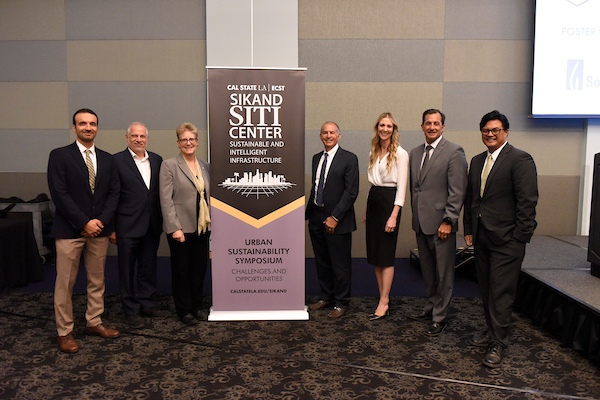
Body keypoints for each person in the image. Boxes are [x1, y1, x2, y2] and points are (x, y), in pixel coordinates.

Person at [464, 110, 538, 368]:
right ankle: (491, 332)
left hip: (508, 240)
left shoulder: (519, 159)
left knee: (501, 293)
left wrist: (520, 238)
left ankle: (499, 342)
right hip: (482, 238)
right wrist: (469, 229)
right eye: (486, 130)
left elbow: (527, 202)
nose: (490, 134)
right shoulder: (476, 161)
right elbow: (472, 199)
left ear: (506, 132)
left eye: (495, 130)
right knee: (485, 289)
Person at [47, 108, 120, 353]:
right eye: (83, 124)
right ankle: (64, 331)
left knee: (97, 280)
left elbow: (114, 193)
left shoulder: (108, 159)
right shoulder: (59, 156)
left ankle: (94, 322)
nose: (88, 127)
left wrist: (100, 221)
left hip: (99, 230)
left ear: (97, 127)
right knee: (64, 283)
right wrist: (83, 223)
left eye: (92, 124)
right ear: (74, 127)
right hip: (69, 230)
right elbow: (59, 193)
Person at [408, 109, 468, 336]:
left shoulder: (454, 152)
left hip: (442, 225)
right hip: (420, 223)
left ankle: (440, 317)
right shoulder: (415, 153)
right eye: (428, 123)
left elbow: (458, 191)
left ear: (443, 127)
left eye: (436, 123)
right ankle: (431, 306)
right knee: (429, 271)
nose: (432, 127)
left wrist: (449, 220)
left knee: (444, 274)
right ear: (422, 126)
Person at [109, 122, 167, 329]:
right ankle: (130, 309)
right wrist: (112, 227)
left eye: (142, 136)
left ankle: (147, 303)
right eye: (134, 136)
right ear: (127, 138)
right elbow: (112, 195)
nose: (138, 139)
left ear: (147, 138)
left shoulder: (157, 160)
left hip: (151, 224)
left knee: (148, 267)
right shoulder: (116, 161)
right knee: (126, 270)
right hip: (126, 225)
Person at [306, 121, 359, 319]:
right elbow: (317, 186)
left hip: (338, 219)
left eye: (332, 132)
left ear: (339, 136)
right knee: (322, 261)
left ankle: (342, 302)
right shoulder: (316, 158)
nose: (328, 136)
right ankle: (326, 297)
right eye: (325, 133)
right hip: (316, 216)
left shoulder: (349, 158)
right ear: (320, 136)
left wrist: (335, 217)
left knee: (340, 263)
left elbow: (351, 192)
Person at [159, 123, 211, 325]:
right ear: (178, 142)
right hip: (181, 228)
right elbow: (166, 200)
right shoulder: (169, 165)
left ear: (197, 142)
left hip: (202, 227)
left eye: (192, 139)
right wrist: (174, 228)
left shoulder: (205, 166)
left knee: (199, 269)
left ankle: (196, 306)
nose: (188, 143)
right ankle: (184, 310)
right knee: (181, 271)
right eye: (184, 140)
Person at [363, 112, 408, 320]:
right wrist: (366, 210)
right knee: (376, 255)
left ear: (393, 129)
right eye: (382, 125)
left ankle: (384, 300)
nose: (384, 129)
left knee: (386, 255)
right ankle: (382, 296)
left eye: (389, 126)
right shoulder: (374, 151)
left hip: (390, 203)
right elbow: (373, 184)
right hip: (374, 201)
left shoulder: (400, 153)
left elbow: (402, 188)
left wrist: (394, 215)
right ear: (377, 127)